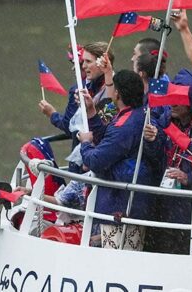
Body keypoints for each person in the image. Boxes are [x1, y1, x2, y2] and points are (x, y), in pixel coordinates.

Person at [78, 70, 154, 250]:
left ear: (118, 93)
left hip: (119, 205)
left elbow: (97, 161)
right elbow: (108, 138)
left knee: (115, 261)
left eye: (112, 87)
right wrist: (91, 112)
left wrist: (86, 144)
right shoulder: (137, 115)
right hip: (132, 203)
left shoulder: (124, 126)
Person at [141, 68, 192, 254]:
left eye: (179, 98)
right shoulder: (165, 122)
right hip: (163, 201)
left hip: (191, 208)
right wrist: (151, 141)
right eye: (170, 96)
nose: (172, 103)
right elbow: (156, 160)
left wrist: (188, 178)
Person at [38, 41, 115, 147]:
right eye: (82, 62)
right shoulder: (84, 89)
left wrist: (52, 114)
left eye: (88, 61)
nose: (83, 66)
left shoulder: (117, 89)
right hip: (90, 151)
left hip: (99, 154)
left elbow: (69, 127)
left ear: (103, 63)